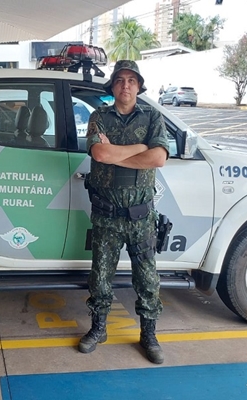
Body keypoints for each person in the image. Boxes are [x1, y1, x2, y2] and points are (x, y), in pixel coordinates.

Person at [79, 60, 170, 364]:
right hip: (106, 215)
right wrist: (139, 147)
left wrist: (119, 154)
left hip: (141, 217)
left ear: (139, 86)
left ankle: (148, 334)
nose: (126, 85)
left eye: (132, 80)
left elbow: (158, 158)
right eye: (120, 80)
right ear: (113, 86)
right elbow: (100, 153)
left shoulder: (153, 117)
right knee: (100, 278)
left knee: (147, 279)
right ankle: (99, 328)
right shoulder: (99, 116)